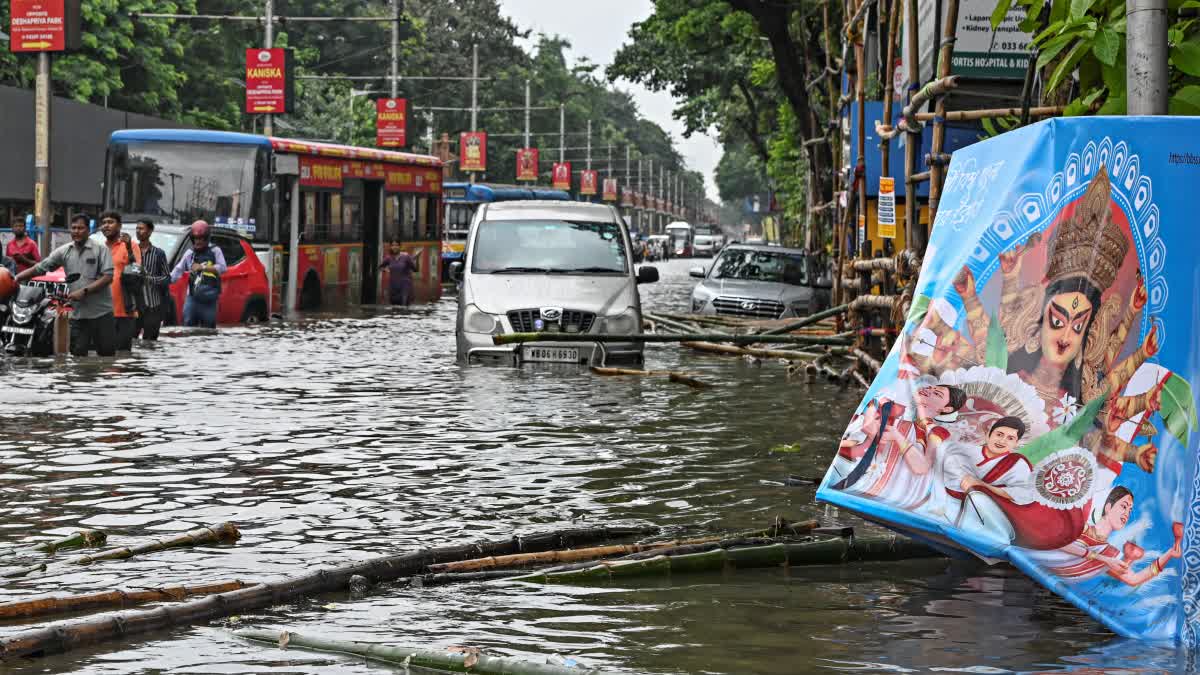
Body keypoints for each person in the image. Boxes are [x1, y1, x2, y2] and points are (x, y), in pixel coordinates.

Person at [16, 214, 115, 356]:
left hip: (102, 313)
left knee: (107, 358)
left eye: (80, 228)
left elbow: (108, 277)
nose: (76, 231)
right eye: (73, 228)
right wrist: (17, 278)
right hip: (78, 315)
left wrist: (84, 291)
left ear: (88, 230)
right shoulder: (64, 251)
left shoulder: (100, 249)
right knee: (77, 357)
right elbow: (40, 268)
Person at [170, 220, 226, 328]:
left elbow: (222, 268)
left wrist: (203, 267)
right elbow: (178, 270)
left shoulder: (215, 251)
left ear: (207, 238)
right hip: (192, 298)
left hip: (210, 299)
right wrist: (164, 281)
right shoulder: (189, 253)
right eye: (196, 238)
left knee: (209, 330)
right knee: (188, 327)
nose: (198, 241)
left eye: (201, 238)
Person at [100, 212, 141, 351]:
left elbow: (137, 271)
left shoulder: (131, 246)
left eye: (110, 222)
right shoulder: (98, 248)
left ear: (119, 226)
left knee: (122, 357)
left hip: (124, 311)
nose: (106, 225)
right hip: (101, 311)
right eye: (104, 222)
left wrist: (128, 247)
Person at [135, 219, 170, 340]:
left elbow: (167, 278)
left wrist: (148, 278)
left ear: (149, 232)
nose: (138, 231)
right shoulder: (131, 252)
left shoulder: (159, 254)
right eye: (137, 228)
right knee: (130, 341)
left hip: (153, 305)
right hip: (134, 305)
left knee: (150, 343)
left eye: (141, 228)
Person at [379, 239, 419, 306]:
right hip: (393, 287)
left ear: (400, 246)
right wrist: (386, 270)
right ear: (390, 247)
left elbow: (415, 270)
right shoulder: (388, 258)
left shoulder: (406, 257)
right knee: (394, 308)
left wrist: (417, 259)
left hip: (405, 287)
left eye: (396, 245)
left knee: (403, 308)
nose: (394, 247)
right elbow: (380, 267)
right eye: (392, 245)